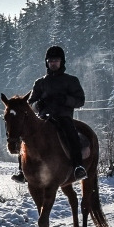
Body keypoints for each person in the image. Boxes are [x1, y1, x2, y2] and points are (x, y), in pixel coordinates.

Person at [24, 44, 87, 182]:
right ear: (47, 62)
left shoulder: (71, 80)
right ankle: (22, 170)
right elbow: (29, 105)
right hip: (43, 118)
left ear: (61, 62)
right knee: (26, 137)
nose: (53, 63)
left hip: (63, 117)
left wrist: (65, 100)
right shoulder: (40, 83)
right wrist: (38, 104)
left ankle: (78, 166)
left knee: (71, 135)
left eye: (56, 61)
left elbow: (80, 100)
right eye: (51, 61)